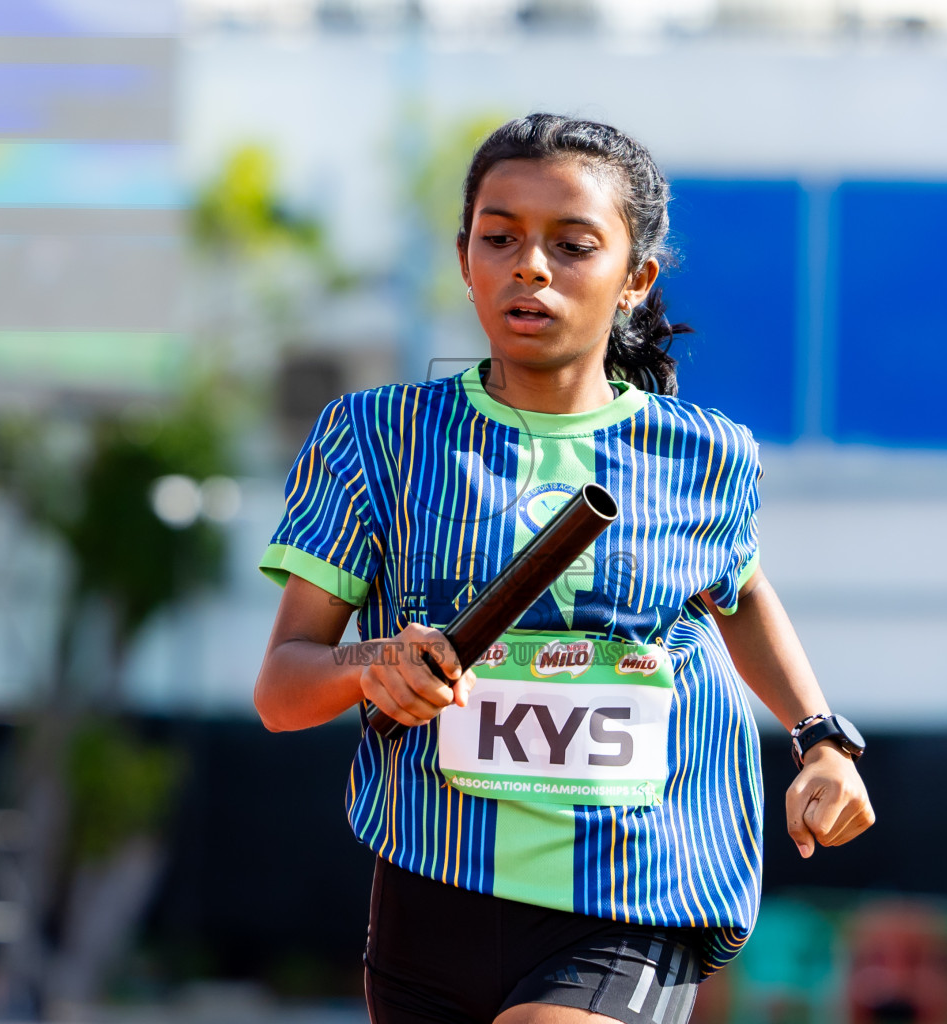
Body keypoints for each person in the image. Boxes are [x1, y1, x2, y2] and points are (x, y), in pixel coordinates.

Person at [253, 113, 875, 1024]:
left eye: (573, 245)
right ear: (464, 260)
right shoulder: (378, 437)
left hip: (635, 891)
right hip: (429, 890)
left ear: (636, 279)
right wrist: (372, 666)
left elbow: (739, 592)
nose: (531, 267)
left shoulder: (705, 454)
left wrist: (821, 739)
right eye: (499, 238)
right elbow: (281, 691)